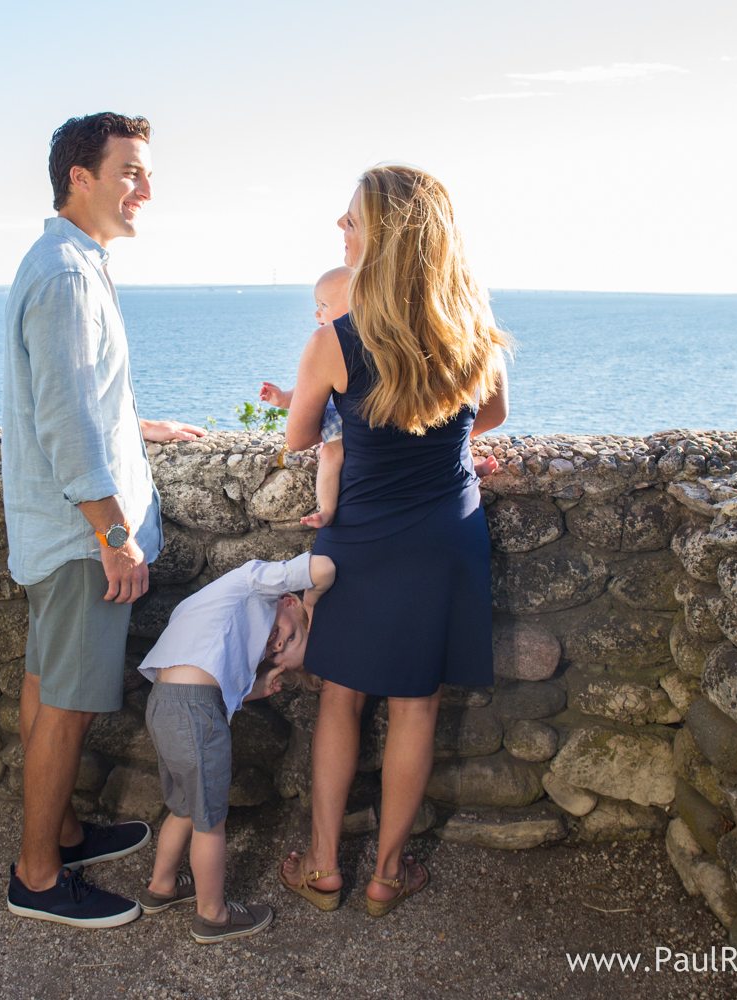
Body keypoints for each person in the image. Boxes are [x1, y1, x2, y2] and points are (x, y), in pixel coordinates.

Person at [278, 165, 510, 917]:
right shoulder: (472, 326)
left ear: (388, 234)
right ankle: (386, 875)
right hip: (447, 536)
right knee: (417, 706)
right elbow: (492, 416)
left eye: (350, 220)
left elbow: (300, 437)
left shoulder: (336, 340)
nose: (339, 231)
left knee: (340, 698)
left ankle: (322, 868)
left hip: (363, 538)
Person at [0, 112, 205, 928]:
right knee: (67, 704)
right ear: (79, 177)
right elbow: (62, 416)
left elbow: (81, 396)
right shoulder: (66, 276)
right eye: (130, 171)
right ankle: (39, 877)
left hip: (59, 526)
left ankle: (66, 831)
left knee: (47, 686)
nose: (145, 189)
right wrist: (114, 535)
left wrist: (132, 422)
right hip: (83, 535)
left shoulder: (68, 260)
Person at [134, 552, 335, 943]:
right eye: (289, 636)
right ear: (289, 602)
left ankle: (161, 886)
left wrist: (255, 689)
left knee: (184, 808)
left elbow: (210, 673)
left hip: (163, 701)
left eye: (279, 654)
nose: (275, 644)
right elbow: (325, 567)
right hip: (194, 710)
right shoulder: (258, 582)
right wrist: (313, 603)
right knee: (211, 823)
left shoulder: (224, 602)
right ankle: (213, 915)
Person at [260, 265, 353, 528]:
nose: (317, 313)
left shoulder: (331, 344)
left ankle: (326, 508)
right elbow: (308, 394)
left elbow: (297, 439)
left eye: (324, 305)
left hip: (344, 427)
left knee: (331, 454)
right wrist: (281, 399)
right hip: (343, 420)